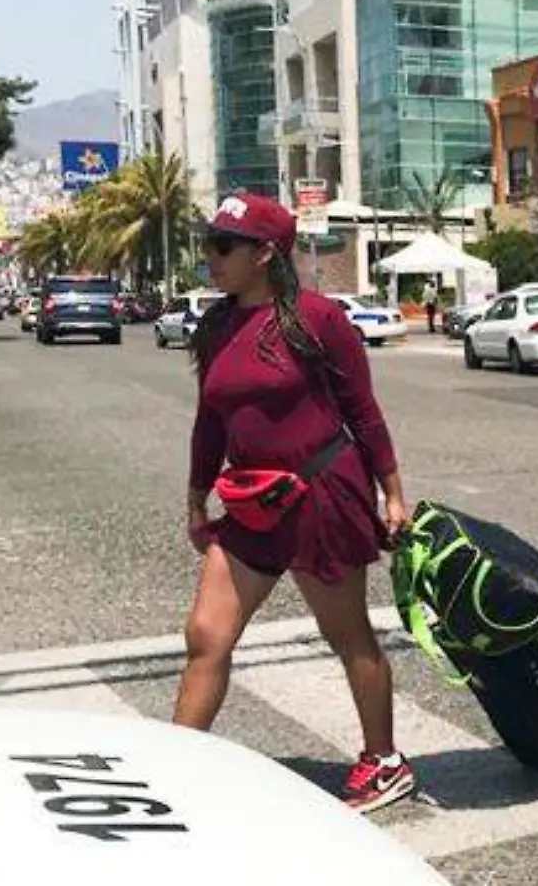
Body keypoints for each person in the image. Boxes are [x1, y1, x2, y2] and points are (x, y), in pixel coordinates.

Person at [178, 191, 417, 812]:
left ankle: (384, 761)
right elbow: (211, 419)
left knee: (346, 633)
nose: (212, 257)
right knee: (206, 634)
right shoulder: (216, 324)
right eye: (209, 243)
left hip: (322, 491)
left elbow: (363, 411)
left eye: (224, 246)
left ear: (265, 254)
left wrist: (392, 493)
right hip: (253, 499)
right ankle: (173, 770)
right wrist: (196, 495)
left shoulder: (318, 319)